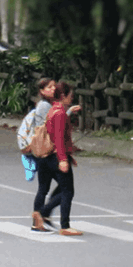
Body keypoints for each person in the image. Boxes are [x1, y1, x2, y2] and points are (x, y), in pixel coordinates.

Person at [32, 81, 83, 236]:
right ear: (63, 96)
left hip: (45, 156)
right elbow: (59, 138)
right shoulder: (59, 113)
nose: (71, 97)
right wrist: (63, 159)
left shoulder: (53, 110)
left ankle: (40, 217)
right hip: (56, 155)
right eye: (69, 95)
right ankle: (62, 223)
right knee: (68, 191)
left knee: (49, 188)